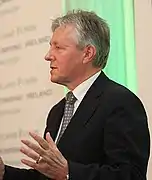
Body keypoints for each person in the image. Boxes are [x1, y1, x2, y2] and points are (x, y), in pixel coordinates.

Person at [0, 10, 150, 180]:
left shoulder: (120, 102)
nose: (48, 56)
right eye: (50, 46)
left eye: (58, 47)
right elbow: (46, 178)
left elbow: (130, 175)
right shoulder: (58, 111)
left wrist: (68, 172)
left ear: (87, 53)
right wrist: (4, 173)